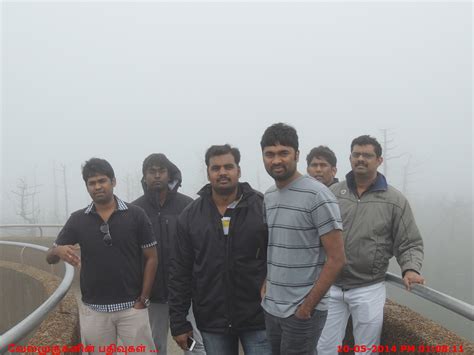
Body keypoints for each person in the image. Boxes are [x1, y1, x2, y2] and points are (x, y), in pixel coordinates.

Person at [317, 135, 425, 355]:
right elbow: (315, 234)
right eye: (356, 154)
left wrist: (411, 268)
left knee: (366, 350)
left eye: (367, 155)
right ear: (349, 158)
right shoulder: (333, 194)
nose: (360, 159)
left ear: (379, 160)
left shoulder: (394, 200)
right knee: (324, 348)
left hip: (368, 288)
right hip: (332, 285)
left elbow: (410, 242)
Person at [46, 158, 157, 354]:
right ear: (87, 187)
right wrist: (58, 250)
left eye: (102, 181)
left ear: (113, 182)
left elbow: (152, 257)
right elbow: (49, 256)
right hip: (94, 310)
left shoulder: (136, 215)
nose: (97, 186)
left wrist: (143, 299)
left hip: (132, 308)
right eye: (92, 183)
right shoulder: (77, 219)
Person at [169, 144, 271, 355]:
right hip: (212, 320)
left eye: (228, 166)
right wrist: (179, 322)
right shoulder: (190, 216)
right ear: (208, 173)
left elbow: (278, 257)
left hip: (258, 317)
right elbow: (180, 271)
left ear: (239, 170)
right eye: (216, 168)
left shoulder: (263, 207)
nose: (222, 172)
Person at [260, 123, 346, 355]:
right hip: (272, 307)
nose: (276, 160)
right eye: (270, 154)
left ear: (296, 155)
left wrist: (307, 307)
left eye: (283, 153)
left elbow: (337, 258)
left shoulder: (318, 195)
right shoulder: (269, 196)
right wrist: (268, 282)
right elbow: (277, 243)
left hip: (302, 310)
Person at [132, 153, 205, 355]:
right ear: (144, 176)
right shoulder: (136, 210)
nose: (157, 176)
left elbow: (201, 247)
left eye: (161, 171)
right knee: (155, 344)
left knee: (192, 343)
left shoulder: (188, 206)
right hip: (153, 295)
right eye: (151, 172)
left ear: (169, 174)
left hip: (185, 294)